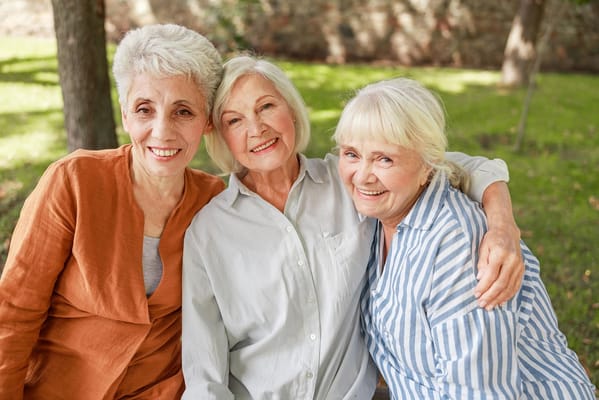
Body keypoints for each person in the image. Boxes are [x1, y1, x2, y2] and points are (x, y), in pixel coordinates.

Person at [181, 55, 524, 399]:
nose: (256, 129)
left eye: (267, 106)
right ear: (222, 135)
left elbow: (443, 164)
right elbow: (204, 375)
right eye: (234, 120)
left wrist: (502, 224)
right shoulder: (208, 232)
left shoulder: (353, 182)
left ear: (292, 109)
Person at [333, 77, 596, 398]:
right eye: (350, 154)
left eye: (384, 159)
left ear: (427, 165)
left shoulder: (456, 243)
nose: (362, 175)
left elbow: (478, 390)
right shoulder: (380, 216)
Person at [0, 24, 225, 399]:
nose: (161, 131)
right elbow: (14, 313)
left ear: (207, 121)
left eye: (182, 111)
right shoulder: (74, 181)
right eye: (144, 109)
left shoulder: (215, 201)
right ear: (124, 115)